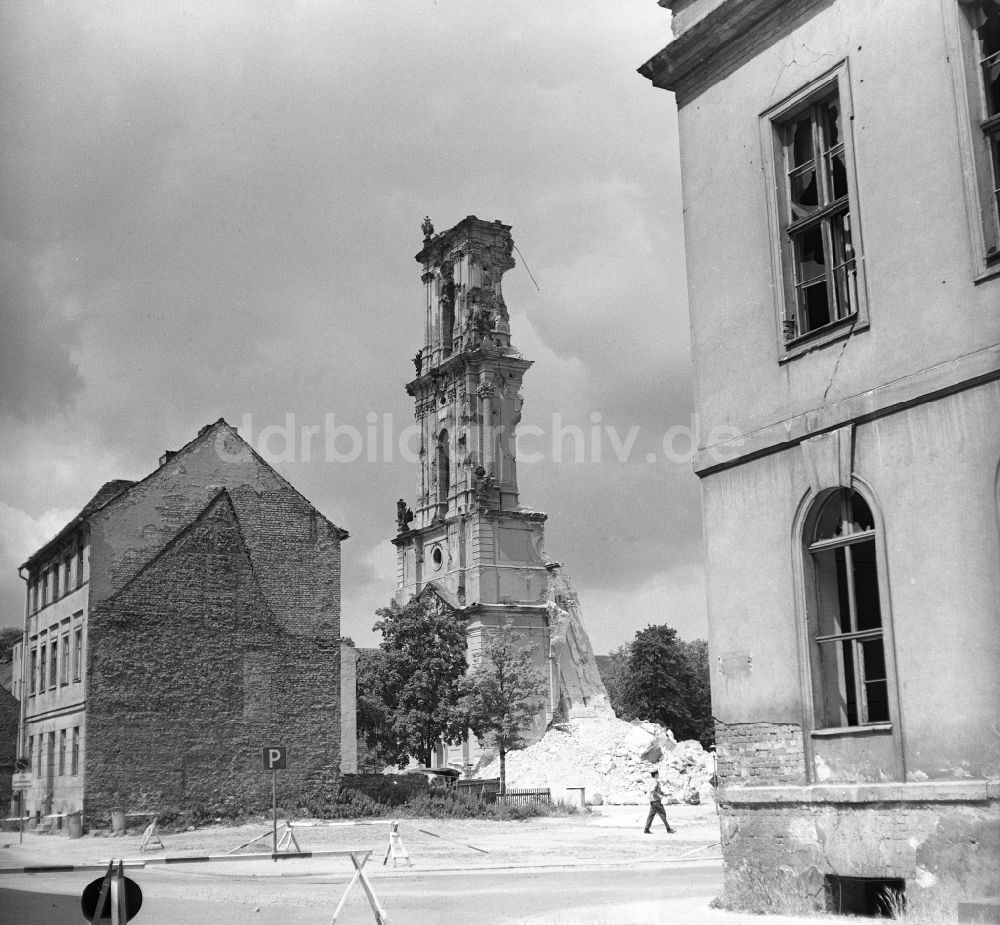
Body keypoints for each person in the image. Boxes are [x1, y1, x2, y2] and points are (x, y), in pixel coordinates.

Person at [643, 770, 676, 834]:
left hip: (652, 802)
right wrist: (659, 795)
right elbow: (652, 791)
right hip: (656, 801)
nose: (658, 775)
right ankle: (668, 829)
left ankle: (646, 829)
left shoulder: (650, 781)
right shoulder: (655, 782)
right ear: (655, 774)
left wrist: (665, 794)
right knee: (663, 814)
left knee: (650, 816)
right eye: (658, 773)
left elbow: (651, 791)